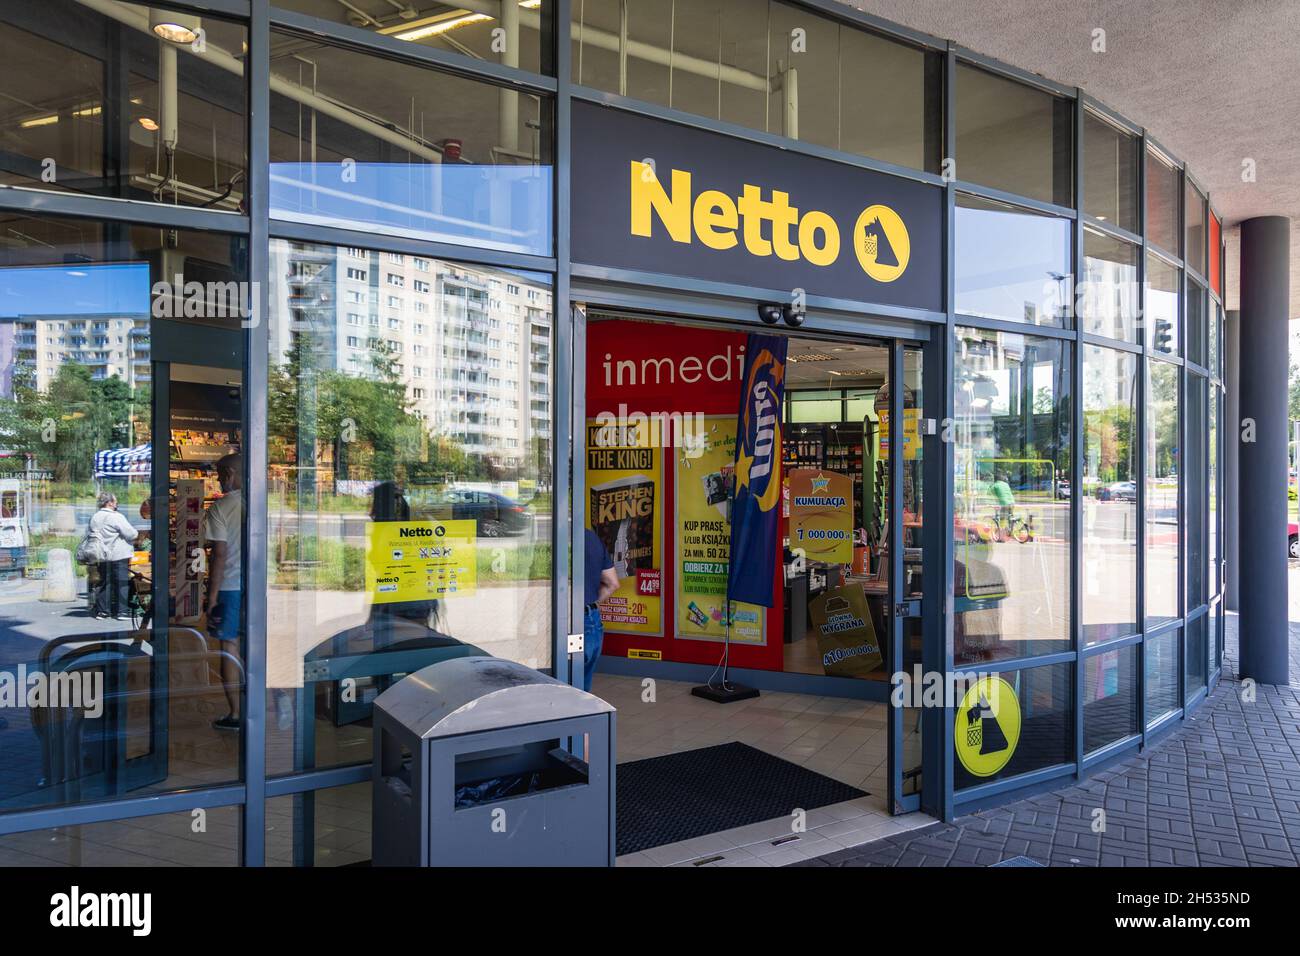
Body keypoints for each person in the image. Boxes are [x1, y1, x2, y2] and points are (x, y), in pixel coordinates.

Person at [203, 454, 244, 732]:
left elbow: (220, 554)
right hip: (258, 587)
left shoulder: (221, 507)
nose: (218, 479)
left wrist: (212, 596)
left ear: (230, 473)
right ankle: (272, 700)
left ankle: (237, 714)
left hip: (229, 586)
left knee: (229, 648)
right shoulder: (262, 503)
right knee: (257, 648)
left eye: (219, 474)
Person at [88, 492, 137, 621]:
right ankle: (122, 612)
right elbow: (131, 534)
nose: (116, 504)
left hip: (101, 555)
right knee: (121, 583)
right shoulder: (116, 517)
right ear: (109, 503)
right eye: (115, 502)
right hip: (118, 555)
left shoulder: (95, 517)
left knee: (104, 583)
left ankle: (103, 611)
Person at [583, 528, 618, 693]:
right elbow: (613, 584)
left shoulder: (552, 537)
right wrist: (591, 604)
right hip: (591, 620)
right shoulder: (591, 537)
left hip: (566, 622)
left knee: (560, 690)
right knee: (582, 688)